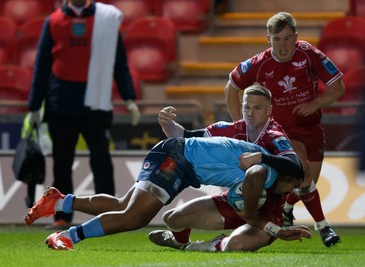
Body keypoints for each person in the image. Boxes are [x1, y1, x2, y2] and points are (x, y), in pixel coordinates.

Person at [24, 136, 307, 250]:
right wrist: (267, 224)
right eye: (291, 186)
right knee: (134, 217)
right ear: (287, 178)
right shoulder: (265, 172)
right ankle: (65, 235)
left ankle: (60, 201)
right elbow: (250, 207)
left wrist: (264, 222)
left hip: (182, 160)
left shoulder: (263, 161)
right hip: (177, 159)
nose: (288, 193)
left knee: (125, 204)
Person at [225, 12, 344, 247]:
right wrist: (242, 125)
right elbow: (231, 87)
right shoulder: (259, 64)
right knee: (305, 175)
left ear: (296, 37)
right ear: (267, 39)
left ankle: (287, 209)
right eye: (277, 39)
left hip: (311, 129)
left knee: (303, 186)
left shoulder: (308, 54)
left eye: (288, 39)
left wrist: (314, 104)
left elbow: (338, 87)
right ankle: (324, 227)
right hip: (281, 134)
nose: (282, 45)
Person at [149, 84, 305, 251]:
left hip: (267, 210)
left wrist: (261, 157)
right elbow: (184, 137)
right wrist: (167, 123)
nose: (250, 113)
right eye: (247, 107)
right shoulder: (231, 130)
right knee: (172, 219)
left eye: (258, 108)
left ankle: (204, 246)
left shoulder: (274, 135)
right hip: (236, 199)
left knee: (235, 245)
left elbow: (297, 168)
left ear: (269, 110)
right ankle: (180, 242)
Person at [27, 0, 140, 229]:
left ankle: (110, 216)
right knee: (62, 163)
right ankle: (62, 216)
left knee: (101, 161)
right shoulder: (54, 21)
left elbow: (119, 61)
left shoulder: (106, 20)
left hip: (96, 103)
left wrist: (129, 97)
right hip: (61, 103)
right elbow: (42, 65)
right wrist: (34, 106)